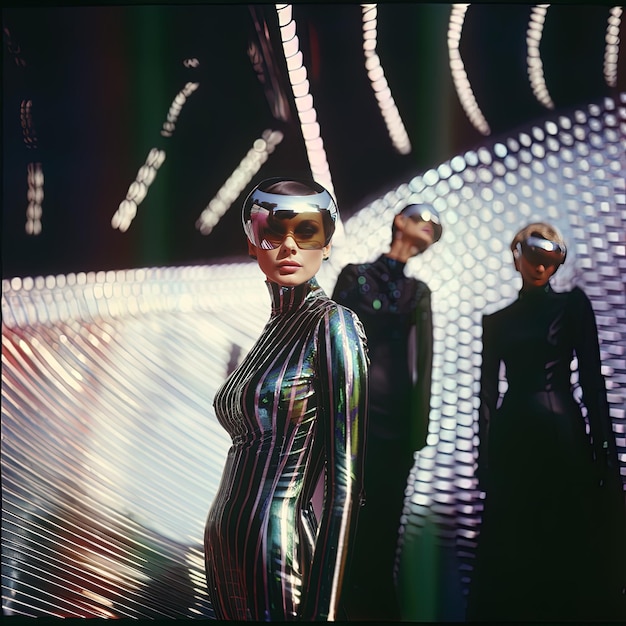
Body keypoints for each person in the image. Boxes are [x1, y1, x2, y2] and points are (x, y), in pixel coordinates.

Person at [203, 177, 369, 621]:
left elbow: (346, 482)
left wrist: (326, 609)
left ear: (327, 243)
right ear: (253, 244)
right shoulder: (268, 333)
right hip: (224, 542)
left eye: (307, 231)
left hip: (277, 542)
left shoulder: (333, 325)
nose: (289, 247)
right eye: (273, 234)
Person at [466, 222, 626, 621]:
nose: (541, 267)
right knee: (515, 536)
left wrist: (606, 449)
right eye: (534, 257)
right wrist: (483, 458)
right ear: (516, 255)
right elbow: (487, 394)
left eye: (551, 259)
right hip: (515, 434)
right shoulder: (497, 320)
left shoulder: (571, 305)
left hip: (562, 433)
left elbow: (592, 378)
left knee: (565, 531)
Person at [332, 202, 442, 620]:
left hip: (396, 422)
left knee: (385, 519)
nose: (430, 227)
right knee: (344, 514)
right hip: (350, 411)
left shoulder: (419, 292)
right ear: (400, 220)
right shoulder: (353, 276)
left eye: (436, 228)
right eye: (424, 218)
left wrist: (420, 430)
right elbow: (330, 341)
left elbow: (424, 364)